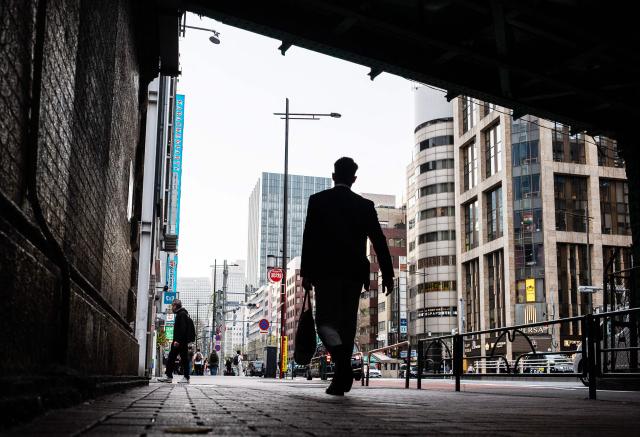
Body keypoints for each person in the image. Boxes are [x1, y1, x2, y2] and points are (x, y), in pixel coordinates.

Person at [301, 157, 393, 396]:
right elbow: (379, 241)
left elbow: (309, 239)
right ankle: (343, 369)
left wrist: (306, 273)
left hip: (325, 273)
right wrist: (388, 274)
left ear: (333, 176)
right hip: (353, 275)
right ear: (354, 178)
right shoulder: (364, 205)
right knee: (347, 324)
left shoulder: (318, 201)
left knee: (324, 323)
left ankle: (342, 368)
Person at [158, 299, 192, 384]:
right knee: (173, 358)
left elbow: (182, 329)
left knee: (181, 359)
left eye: (172, 306)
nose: (171, 308)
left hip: (180, 341)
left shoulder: (182, 314)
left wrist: (177, 340)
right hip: (180, 341)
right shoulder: (181, 314)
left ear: (175, 305)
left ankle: (184, 377)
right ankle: (169, 376)